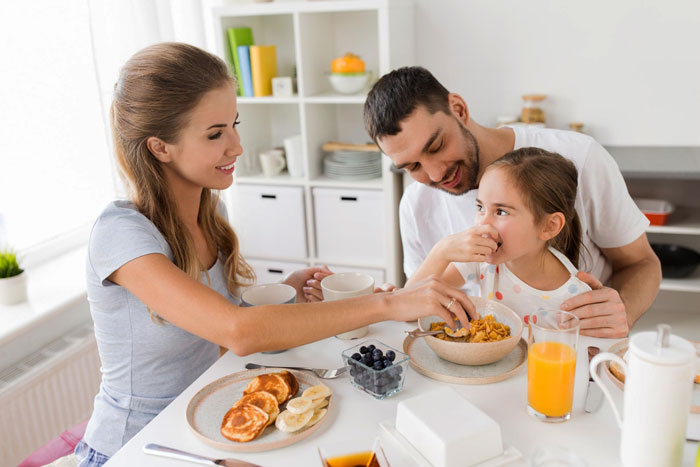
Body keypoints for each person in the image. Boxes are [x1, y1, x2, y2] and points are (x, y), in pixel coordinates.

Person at [74, 44, 474, 466]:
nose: (237, 146)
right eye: (215, 134)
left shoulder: (211, 213)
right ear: (160, 148)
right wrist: (387, 304)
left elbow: (209, 323)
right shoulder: (121, 235)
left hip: (207, 424)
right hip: (138, 446)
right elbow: (237, 332)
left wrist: (285, 293)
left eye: (234, 125)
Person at [363, 66, 661, 338]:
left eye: (437, 146)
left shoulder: (580, 157)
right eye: (413, 167)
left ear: (459, 109)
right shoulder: (415, 205)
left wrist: (623, 310)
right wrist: (395, 300)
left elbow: (642, 263)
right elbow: (418, 302)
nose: (436, 173)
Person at [407, 147, 593, 321]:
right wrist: (441, 252)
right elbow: (410, 305)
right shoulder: (479, 261)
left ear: (549, 226)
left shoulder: (575, 297)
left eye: (501, 212)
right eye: (480, 207)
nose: (483, 224)